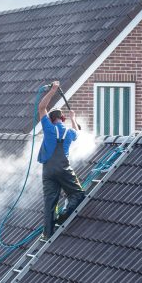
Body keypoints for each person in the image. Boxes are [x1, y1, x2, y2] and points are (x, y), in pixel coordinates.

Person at [38, 81, 85, 240]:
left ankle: (47, 233)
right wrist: (73, 118)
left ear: (51, 120)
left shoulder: (48, 128)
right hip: (64, 169)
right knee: (77, 194)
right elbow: (78, 133)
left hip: (48, 171)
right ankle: (64, 216)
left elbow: (41, 107)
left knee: (50, 202)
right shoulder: (69, 132)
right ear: (62, 119)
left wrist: (53, 90)